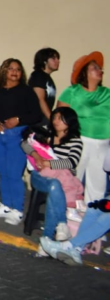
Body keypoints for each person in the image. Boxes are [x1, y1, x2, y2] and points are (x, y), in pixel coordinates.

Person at [0, 57, 42, 224]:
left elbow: (36, 115)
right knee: (3, 171)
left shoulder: (26, 91)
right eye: (11, 68)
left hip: (17, 135)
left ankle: (17, 209)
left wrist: (18, 119)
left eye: (18, 69)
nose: (14, 72)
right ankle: (5, 204)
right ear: (4, 70)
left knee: (14, 173)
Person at [26, 106, 84, 244]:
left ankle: (46, 238)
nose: (56, 121)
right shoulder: (46, 135)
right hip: (40, 177)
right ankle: (61, 226)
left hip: (61, 180)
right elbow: (24, 144)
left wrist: (48, 163)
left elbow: (71, 162)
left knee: (55, 186)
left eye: (60, 118)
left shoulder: (75, 141)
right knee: (54, 185)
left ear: (69, 121)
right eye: (55, 118)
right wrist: (36, 155)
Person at [57, 52, 110, 202]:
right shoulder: (72, 92)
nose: (100, 70)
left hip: (103, 144)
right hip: (79, 142)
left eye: (100, 68)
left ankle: (90, 219)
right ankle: (66, 216)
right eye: (95, 67)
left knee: (98, 185)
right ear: (84, 72)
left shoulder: (107, 93)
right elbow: (60, 117)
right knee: (72, 180)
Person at [29, 48, 60, 124]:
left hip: (43, 119)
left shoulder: (47, 78)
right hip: (37, 120)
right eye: (53, 58)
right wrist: (52, 119)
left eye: (57, 58)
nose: (57, 61)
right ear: (44, 60)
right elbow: (40, 99)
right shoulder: (38, 75)